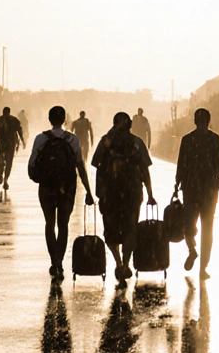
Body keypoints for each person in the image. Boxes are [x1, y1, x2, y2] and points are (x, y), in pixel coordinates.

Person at [28, 105, 94, 280]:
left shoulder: (41, 139)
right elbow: (80, 165)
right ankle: (60, 262)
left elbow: (31, 166)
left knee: (49, 224)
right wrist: (88, 191)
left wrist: (42, 179)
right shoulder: (72, 140)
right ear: (65, 120)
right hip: (67, 189)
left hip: (47, 188)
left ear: (50, 120)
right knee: (63, 224)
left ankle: (53, 261)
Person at [93, 112, 156, 286]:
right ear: (130, 125)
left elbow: (96, 165)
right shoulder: (136, 142)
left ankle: (118, 262)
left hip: (110, 194)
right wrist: (150, 193)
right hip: (132, 193)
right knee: (130, 230)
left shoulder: (106, 141)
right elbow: (144, 169)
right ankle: (126, 263)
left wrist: (97, 193)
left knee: (111, 231)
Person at [174, 108, 219, 280]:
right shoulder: (215, 140)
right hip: (209, 190)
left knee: (189, 225)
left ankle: (192, 250)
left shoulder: (187, 140)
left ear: (195, 121)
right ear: (209, 121)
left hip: (190, 189)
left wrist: (177, 183)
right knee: (207, 228)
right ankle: (203, 268)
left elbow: (181, 164)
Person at [0, 107, 25, 190]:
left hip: (1, 144)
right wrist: (22, 141)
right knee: (8, 162)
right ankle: (5, 179)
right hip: (10, 144)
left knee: (1, 161)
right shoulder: (14, 120)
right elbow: (19, 131)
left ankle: (1, 175)